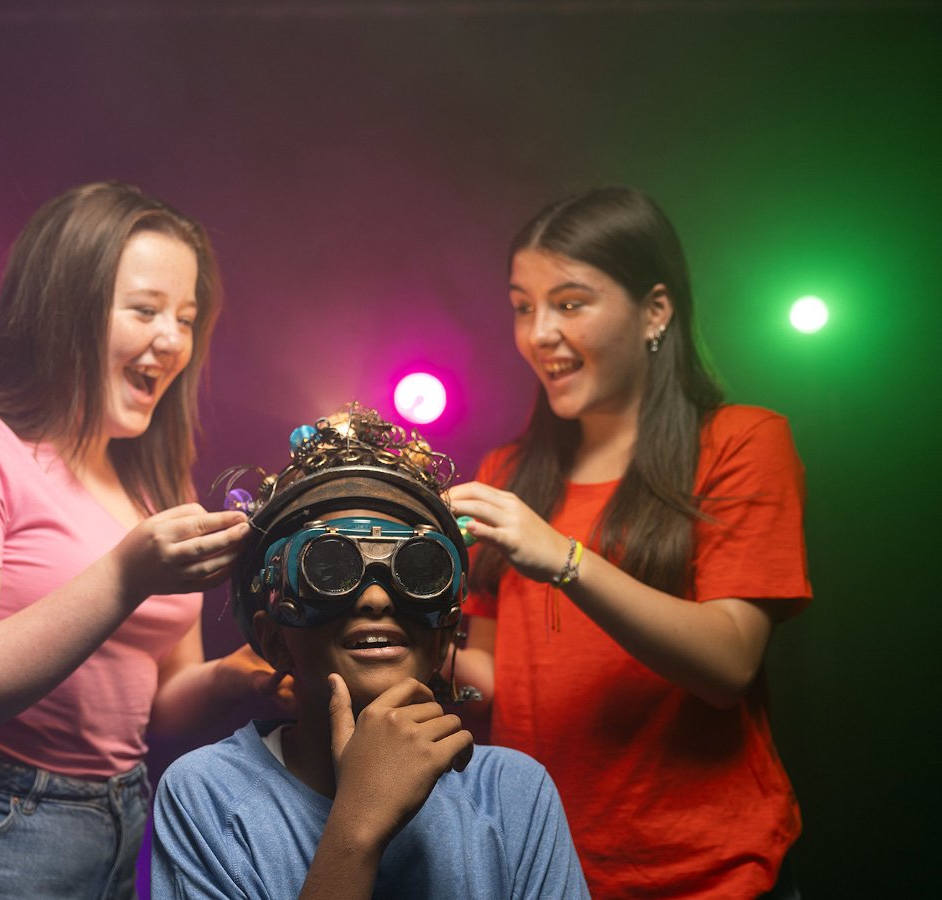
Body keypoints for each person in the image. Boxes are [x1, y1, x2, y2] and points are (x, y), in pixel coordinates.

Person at [0, 181, 290, 899]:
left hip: (112, 827)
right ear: (63, 307)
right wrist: (124, 575)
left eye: (187, 318)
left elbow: (157, 701)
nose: (171, 340)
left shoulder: (145, 480)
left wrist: (241, 676)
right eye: (145, 309)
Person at [448, 186, 812, 899]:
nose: (539, 333)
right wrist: (368, 643)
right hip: (543, 869)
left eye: (571, 302)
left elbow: (729, 662)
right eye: (524, 307)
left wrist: (564, 559)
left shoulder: (740, 442)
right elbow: (488, 678)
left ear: (656, 310)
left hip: (705, 876)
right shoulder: (507, 473)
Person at [151, 406, 590, 900]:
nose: (378, 598)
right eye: (331, 569)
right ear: (275, 639)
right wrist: (358, 827)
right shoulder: (209, 794)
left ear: (445, 634)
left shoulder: (513, 794)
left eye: (418, 571)